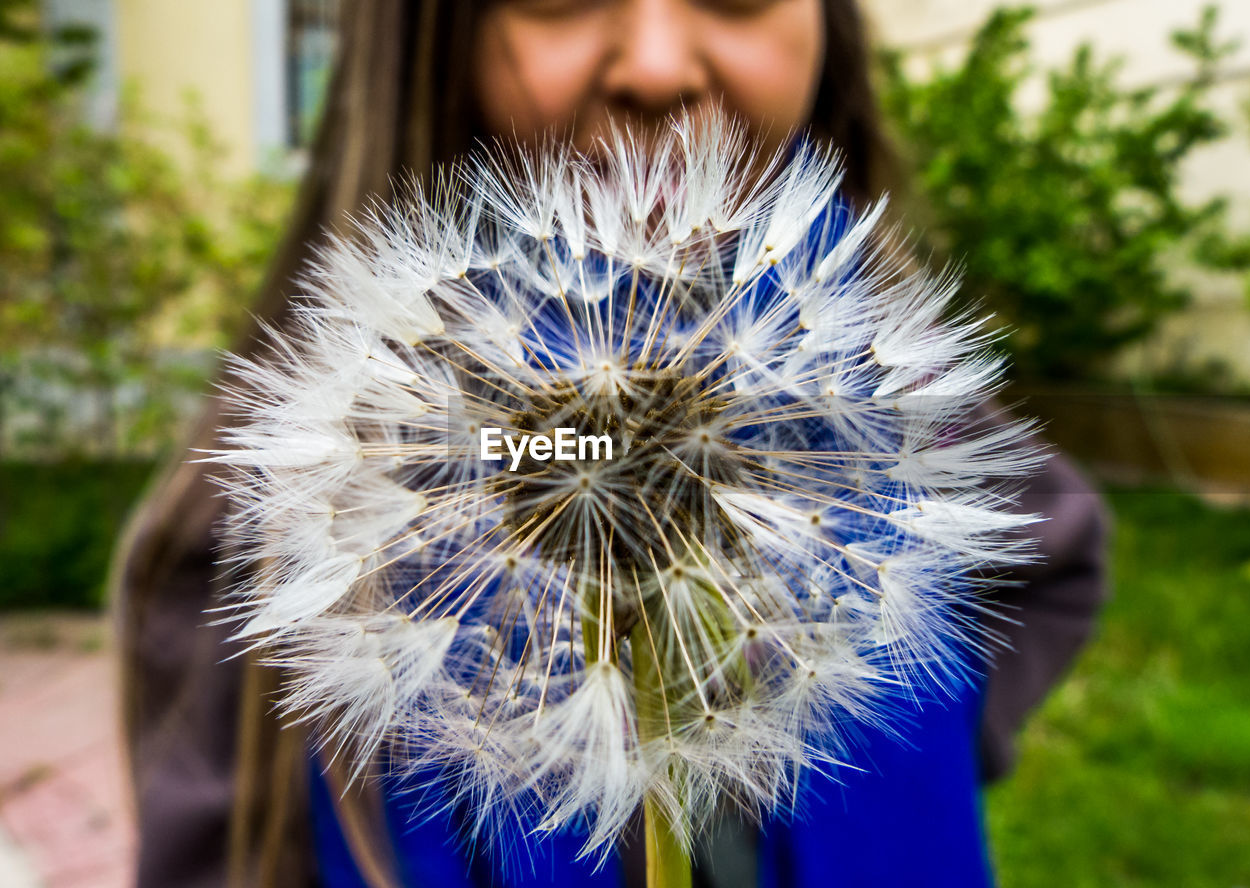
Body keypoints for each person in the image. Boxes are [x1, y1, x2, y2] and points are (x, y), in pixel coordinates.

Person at [112, 2, 1109, 886]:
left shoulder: (886, 404)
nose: (658, 64)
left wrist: (851, 724)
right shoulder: (264, 538)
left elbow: (1047, 558)